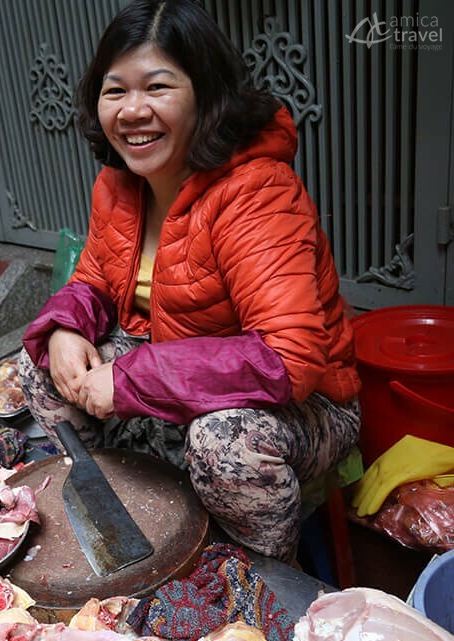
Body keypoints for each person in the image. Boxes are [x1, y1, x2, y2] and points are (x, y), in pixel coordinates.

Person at [19, 0, 361, 562]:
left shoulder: (256, 193)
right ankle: (138, 524)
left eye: (157, 87)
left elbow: (290, 359)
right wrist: (63, 328)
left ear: (206, 93)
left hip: (309, 401)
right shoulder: (118, 184)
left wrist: (132, 378)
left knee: (225, 445)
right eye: (115, 91)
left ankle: (260, 576)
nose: (133, 111)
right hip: (180, 365)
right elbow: (95, 279)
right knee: (40, 375)